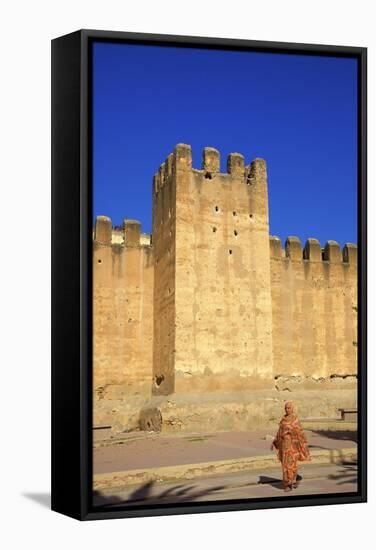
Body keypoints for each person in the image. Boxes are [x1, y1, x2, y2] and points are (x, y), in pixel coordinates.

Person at [271, 401, 311, 492]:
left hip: (293, 446)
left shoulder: (295, 419)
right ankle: (289, 482)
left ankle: (290, 482)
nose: (287, 409)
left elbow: (299, 432)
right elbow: (279, 431)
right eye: (285, 408)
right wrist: (275, 441)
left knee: (292, 464)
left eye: (289, 408)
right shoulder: (283, 419)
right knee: (285, 465)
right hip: (284, 446)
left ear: (292, 409)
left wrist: (291, 431)